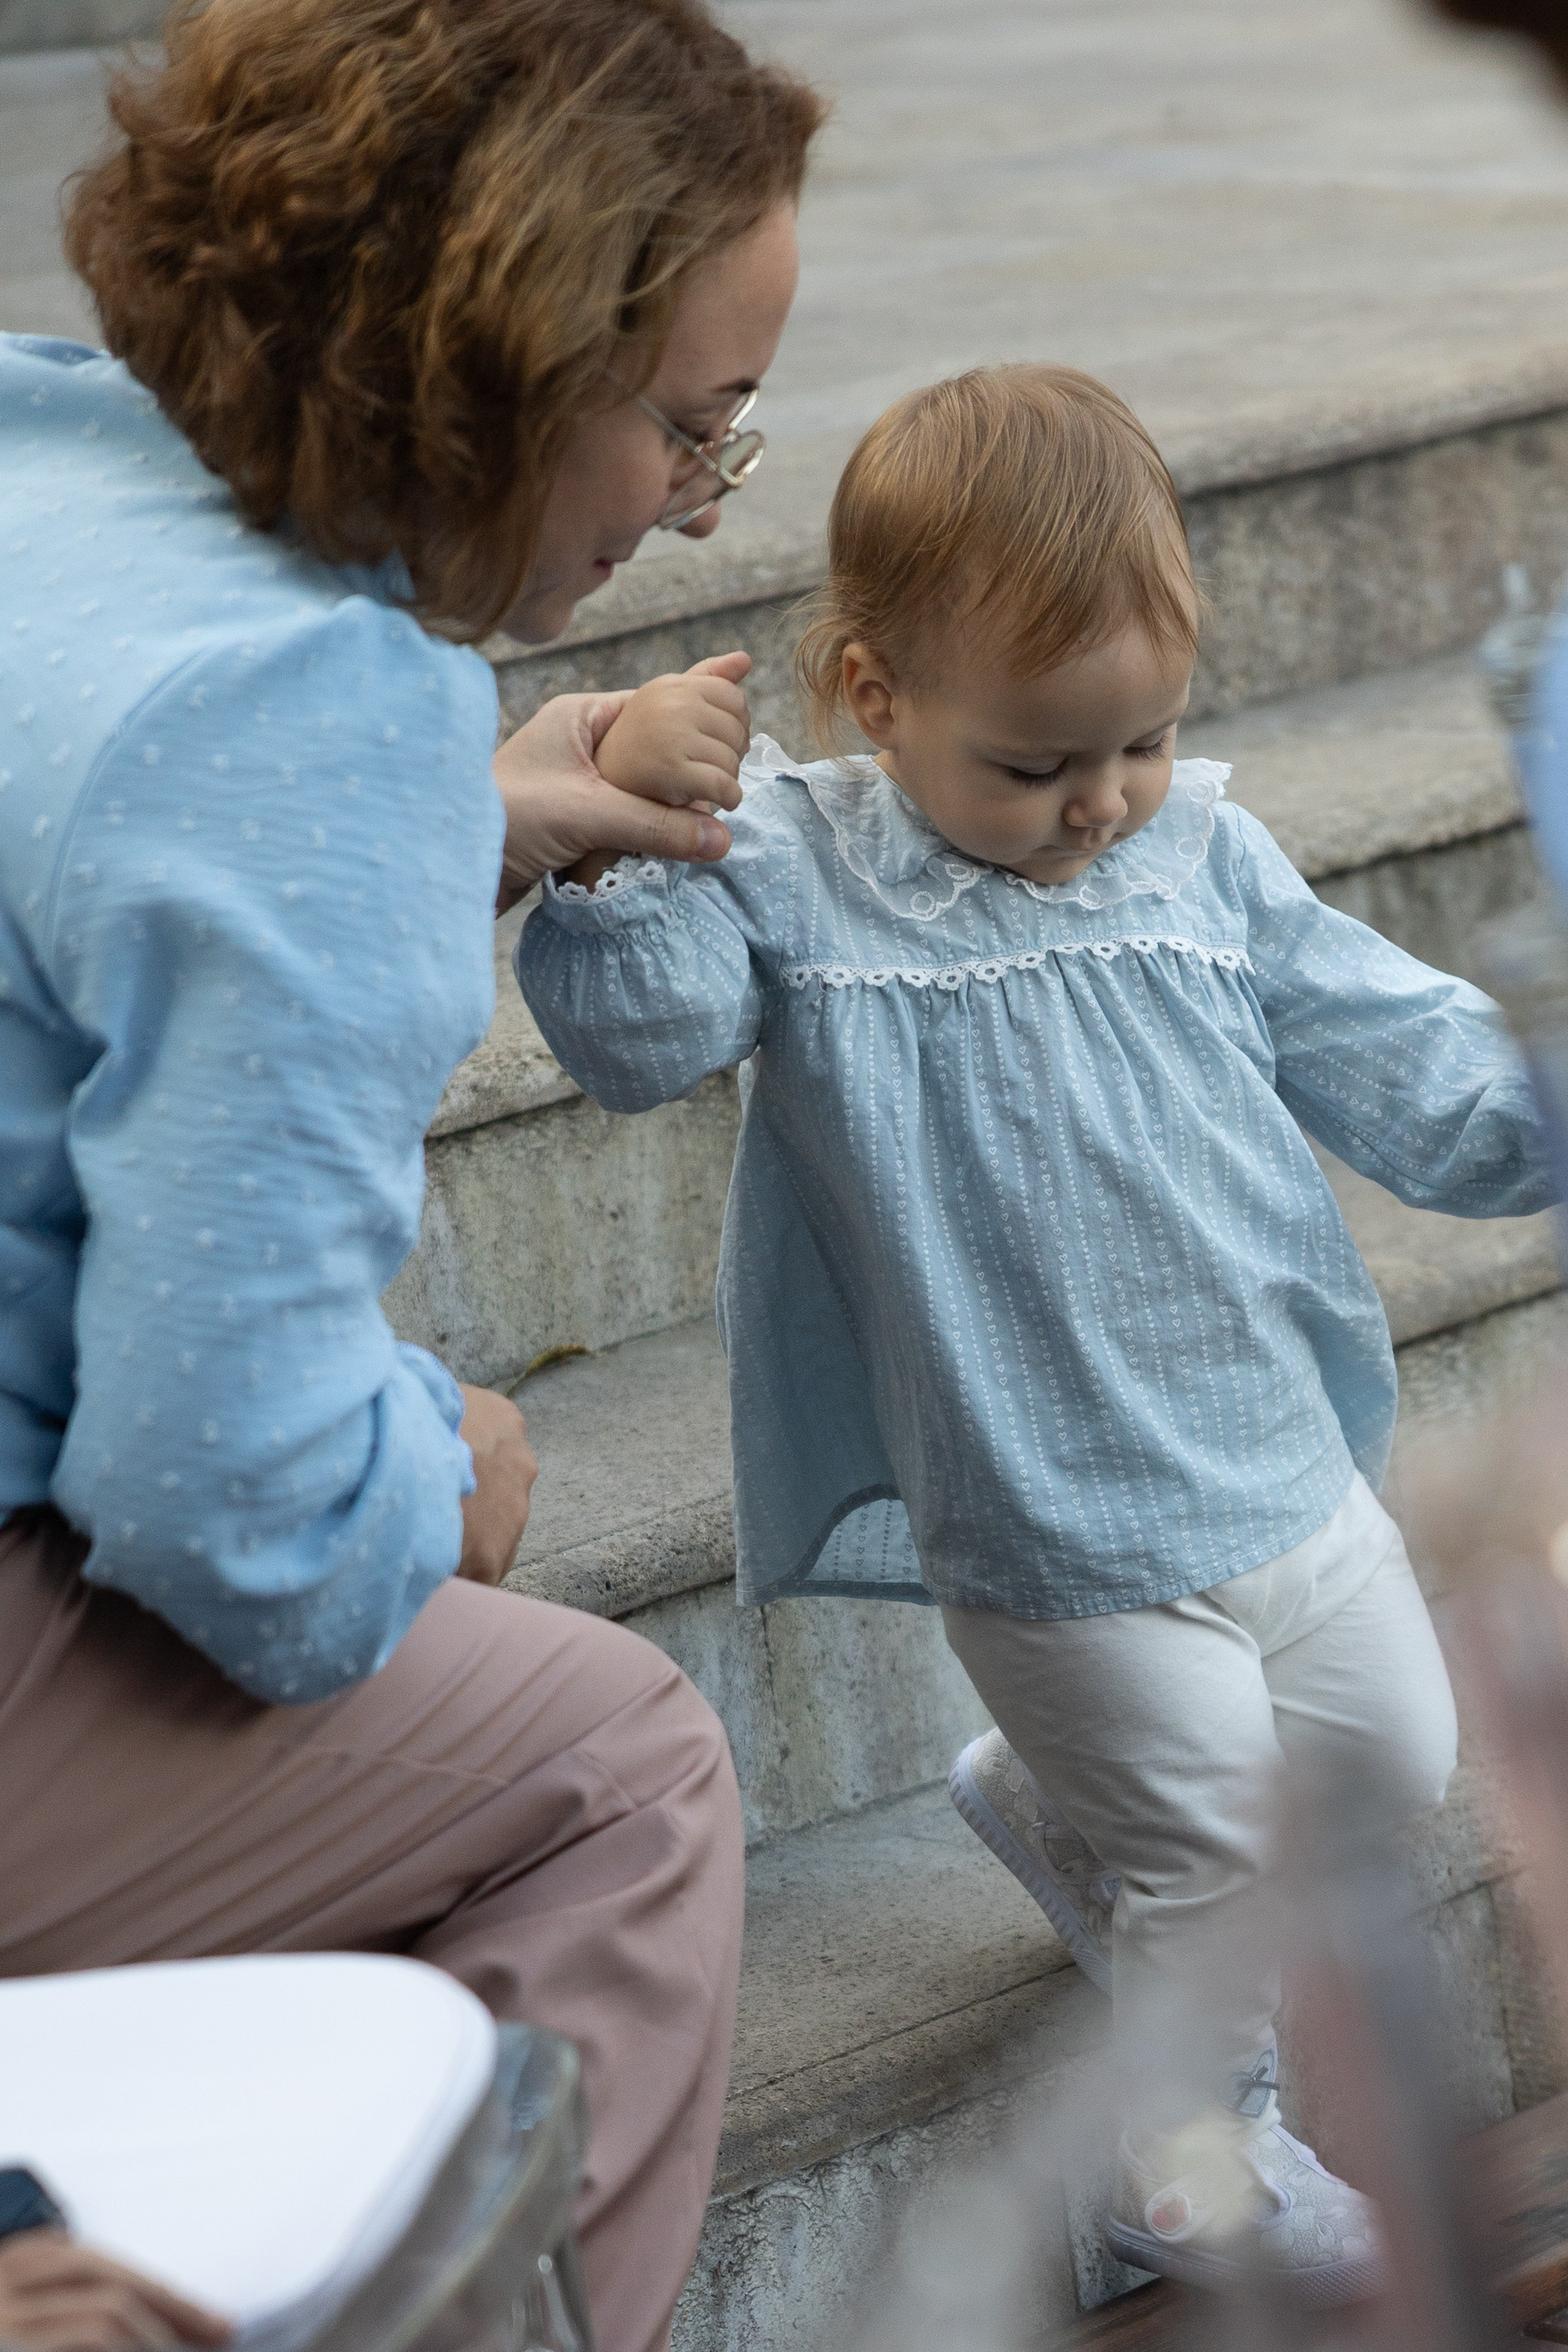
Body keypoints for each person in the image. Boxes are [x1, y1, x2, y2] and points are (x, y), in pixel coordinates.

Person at [510, 362, 1555, 2302]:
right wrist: (617, 824)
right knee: (1218, 1849)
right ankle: (1184, 2161)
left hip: (1271, 1458)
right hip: (1049, 1508)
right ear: (874, 693)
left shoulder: (1202, 857)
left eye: (1141, 741)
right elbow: (639, 1043)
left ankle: (1038, 1798)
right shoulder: (799, 872)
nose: (1097, 802)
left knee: (1387, 1758)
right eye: (1037, 762)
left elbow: (1406, 1063)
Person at [0, 3, 822, 2346]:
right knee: (610, 1766)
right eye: (684, 418)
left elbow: (101, 836)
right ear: (497, 350)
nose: (695, 495)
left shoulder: (48, 443)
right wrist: (418, 1478)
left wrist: (462, 804)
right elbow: (219, 1499)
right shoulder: (315, 715)